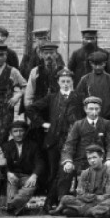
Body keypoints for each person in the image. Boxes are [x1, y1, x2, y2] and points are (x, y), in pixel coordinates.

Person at [26, 68, 83, 208]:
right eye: (62, 81)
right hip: (53, 141)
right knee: (53, 172)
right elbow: (31, 109)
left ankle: (60, 200)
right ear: (58, 82)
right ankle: (50, 201)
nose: (65, 84)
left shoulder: (78, 98)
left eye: (68, 81)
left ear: (72, 82)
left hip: (72, 140)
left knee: (67, 171)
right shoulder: (52, 98)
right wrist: (42, 123)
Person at [58, 97, 110, 203]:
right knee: (65, 171)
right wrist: (68, 161)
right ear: (85, 109)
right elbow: (69, 145)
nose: (94, 112)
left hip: (100, 161)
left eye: (97, 109)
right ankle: (61, 202)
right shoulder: (78, 125)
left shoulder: (106, 124)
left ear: (100, 109)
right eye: (91, 109)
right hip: (81, 161)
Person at [51, 144, 110, 218]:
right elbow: (80, 194)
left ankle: (83, 212)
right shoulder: (85, 173)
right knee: (65, 198)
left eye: (94, 157)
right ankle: (94, 212)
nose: (92, 161)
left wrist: (91, 197)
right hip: (87, 203)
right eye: (89, 158)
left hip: (101, 202)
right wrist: (93, 197)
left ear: (101, 157)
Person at [3, 120, 47, 216]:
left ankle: (11, 206)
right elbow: (4, 163)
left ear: (25, 132)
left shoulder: (33, 145)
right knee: (11, 186)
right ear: (11, 133)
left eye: (21, 131)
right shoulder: (7, 146)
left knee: (28, 188)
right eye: (15, 131)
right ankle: (16, 208)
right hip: (13, 176)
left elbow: (40, 162)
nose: (18, 134)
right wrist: (8, 173)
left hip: (28, 176)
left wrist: (34, 175)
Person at [75, 51, 110, 122]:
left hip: (108, 118)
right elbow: (77, 99)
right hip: (89, 118)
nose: (98, 67)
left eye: (101, 64)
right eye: (95, 65)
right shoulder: (85, 79)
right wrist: (80, 118)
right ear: (91, 64)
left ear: (105, 63)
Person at [24, 41, 65, 107]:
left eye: (51, 53)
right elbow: (29, 95)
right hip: (40, 109)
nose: (49, 56)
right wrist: (30, 110)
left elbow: (69, 93)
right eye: (46, 53)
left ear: (57, 55)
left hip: (58, 108)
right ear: (41, 55)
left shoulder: (63, 71)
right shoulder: (35, 71)